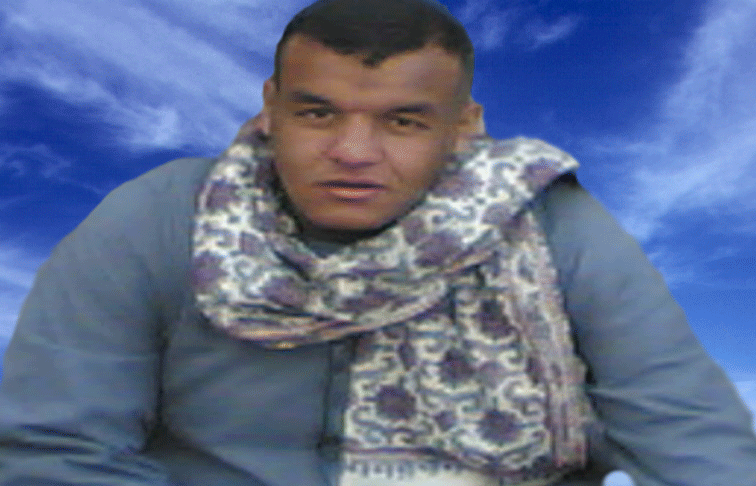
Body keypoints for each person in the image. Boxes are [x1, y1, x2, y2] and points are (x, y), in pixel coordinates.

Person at [1, 0, 755, 485]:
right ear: (270, 107)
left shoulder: (553, 226)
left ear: (463, 127)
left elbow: (689, 435)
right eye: (318, 114)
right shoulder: (159, 218)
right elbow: (52, 449)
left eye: (403, 121)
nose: (353, 152)